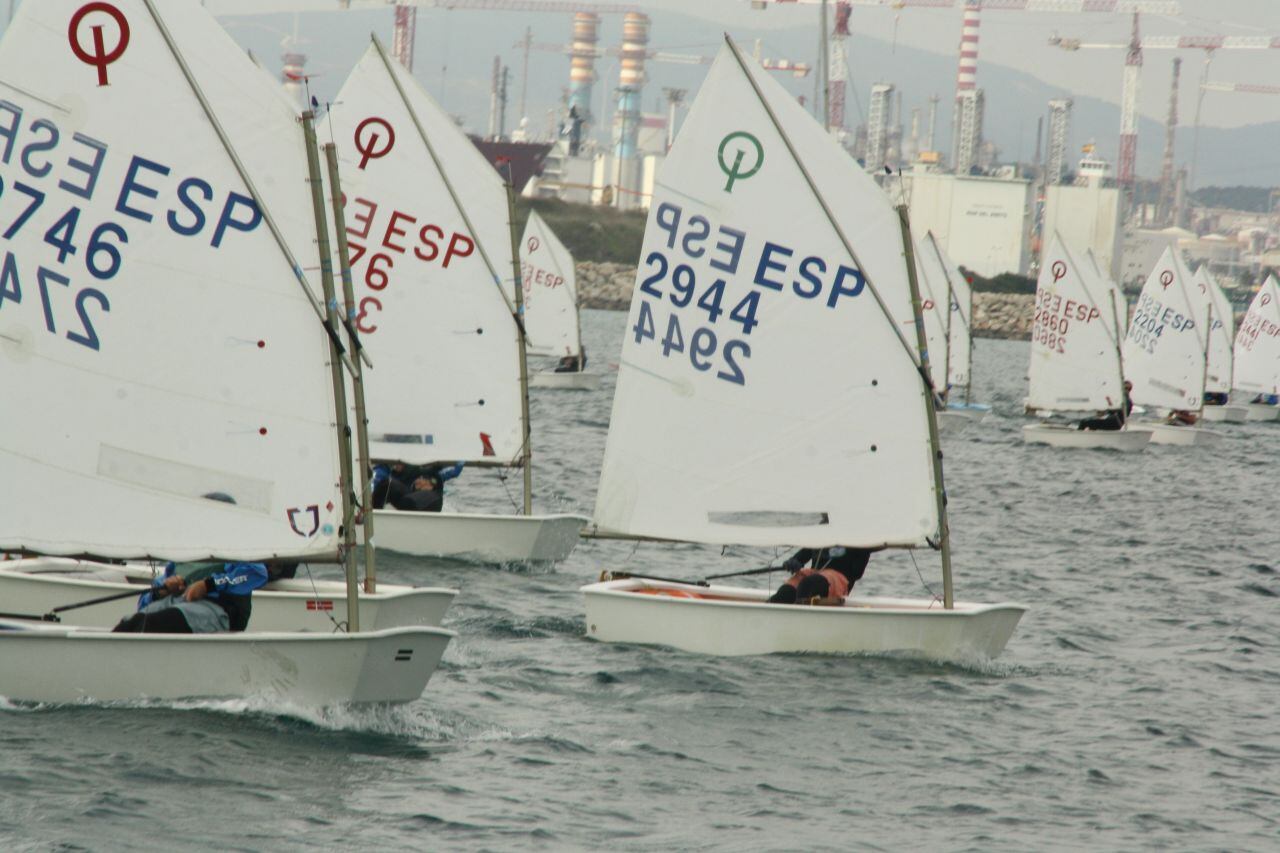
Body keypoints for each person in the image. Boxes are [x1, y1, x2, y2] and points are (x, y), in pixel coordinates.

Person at [112, 559, 278, 634]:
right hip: (175, 603)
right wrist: (162, 591)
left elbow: (257, 573)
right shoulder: (184, 556)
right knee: (129, 623)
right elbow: (143, 603)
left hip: (214, 610)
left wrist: (208, 585)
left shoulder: (232, 550)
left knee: (151, 624)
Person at [768, 546, 878, 605]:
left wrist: (862, 550)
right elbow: (802, 556)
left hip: (840, 578)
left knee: (808, 583)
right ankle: (768, 615)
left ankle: (800, 622)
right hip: (816, 573)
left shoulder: (856, 535)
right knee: (786, 592)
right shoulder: (823, 529)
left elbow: (857, 574)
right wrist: (793, 561)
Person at [371, 460, 465, 512]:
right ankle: (373, 515)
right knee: (385, 484)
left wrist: (432, 481)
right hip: (406, 501)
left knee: (409, 501)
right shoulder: (386, 469)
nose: (397, 465)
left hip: (428, 502)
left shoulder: (424, 470)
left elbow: (453, 471)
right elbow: (376, 479)